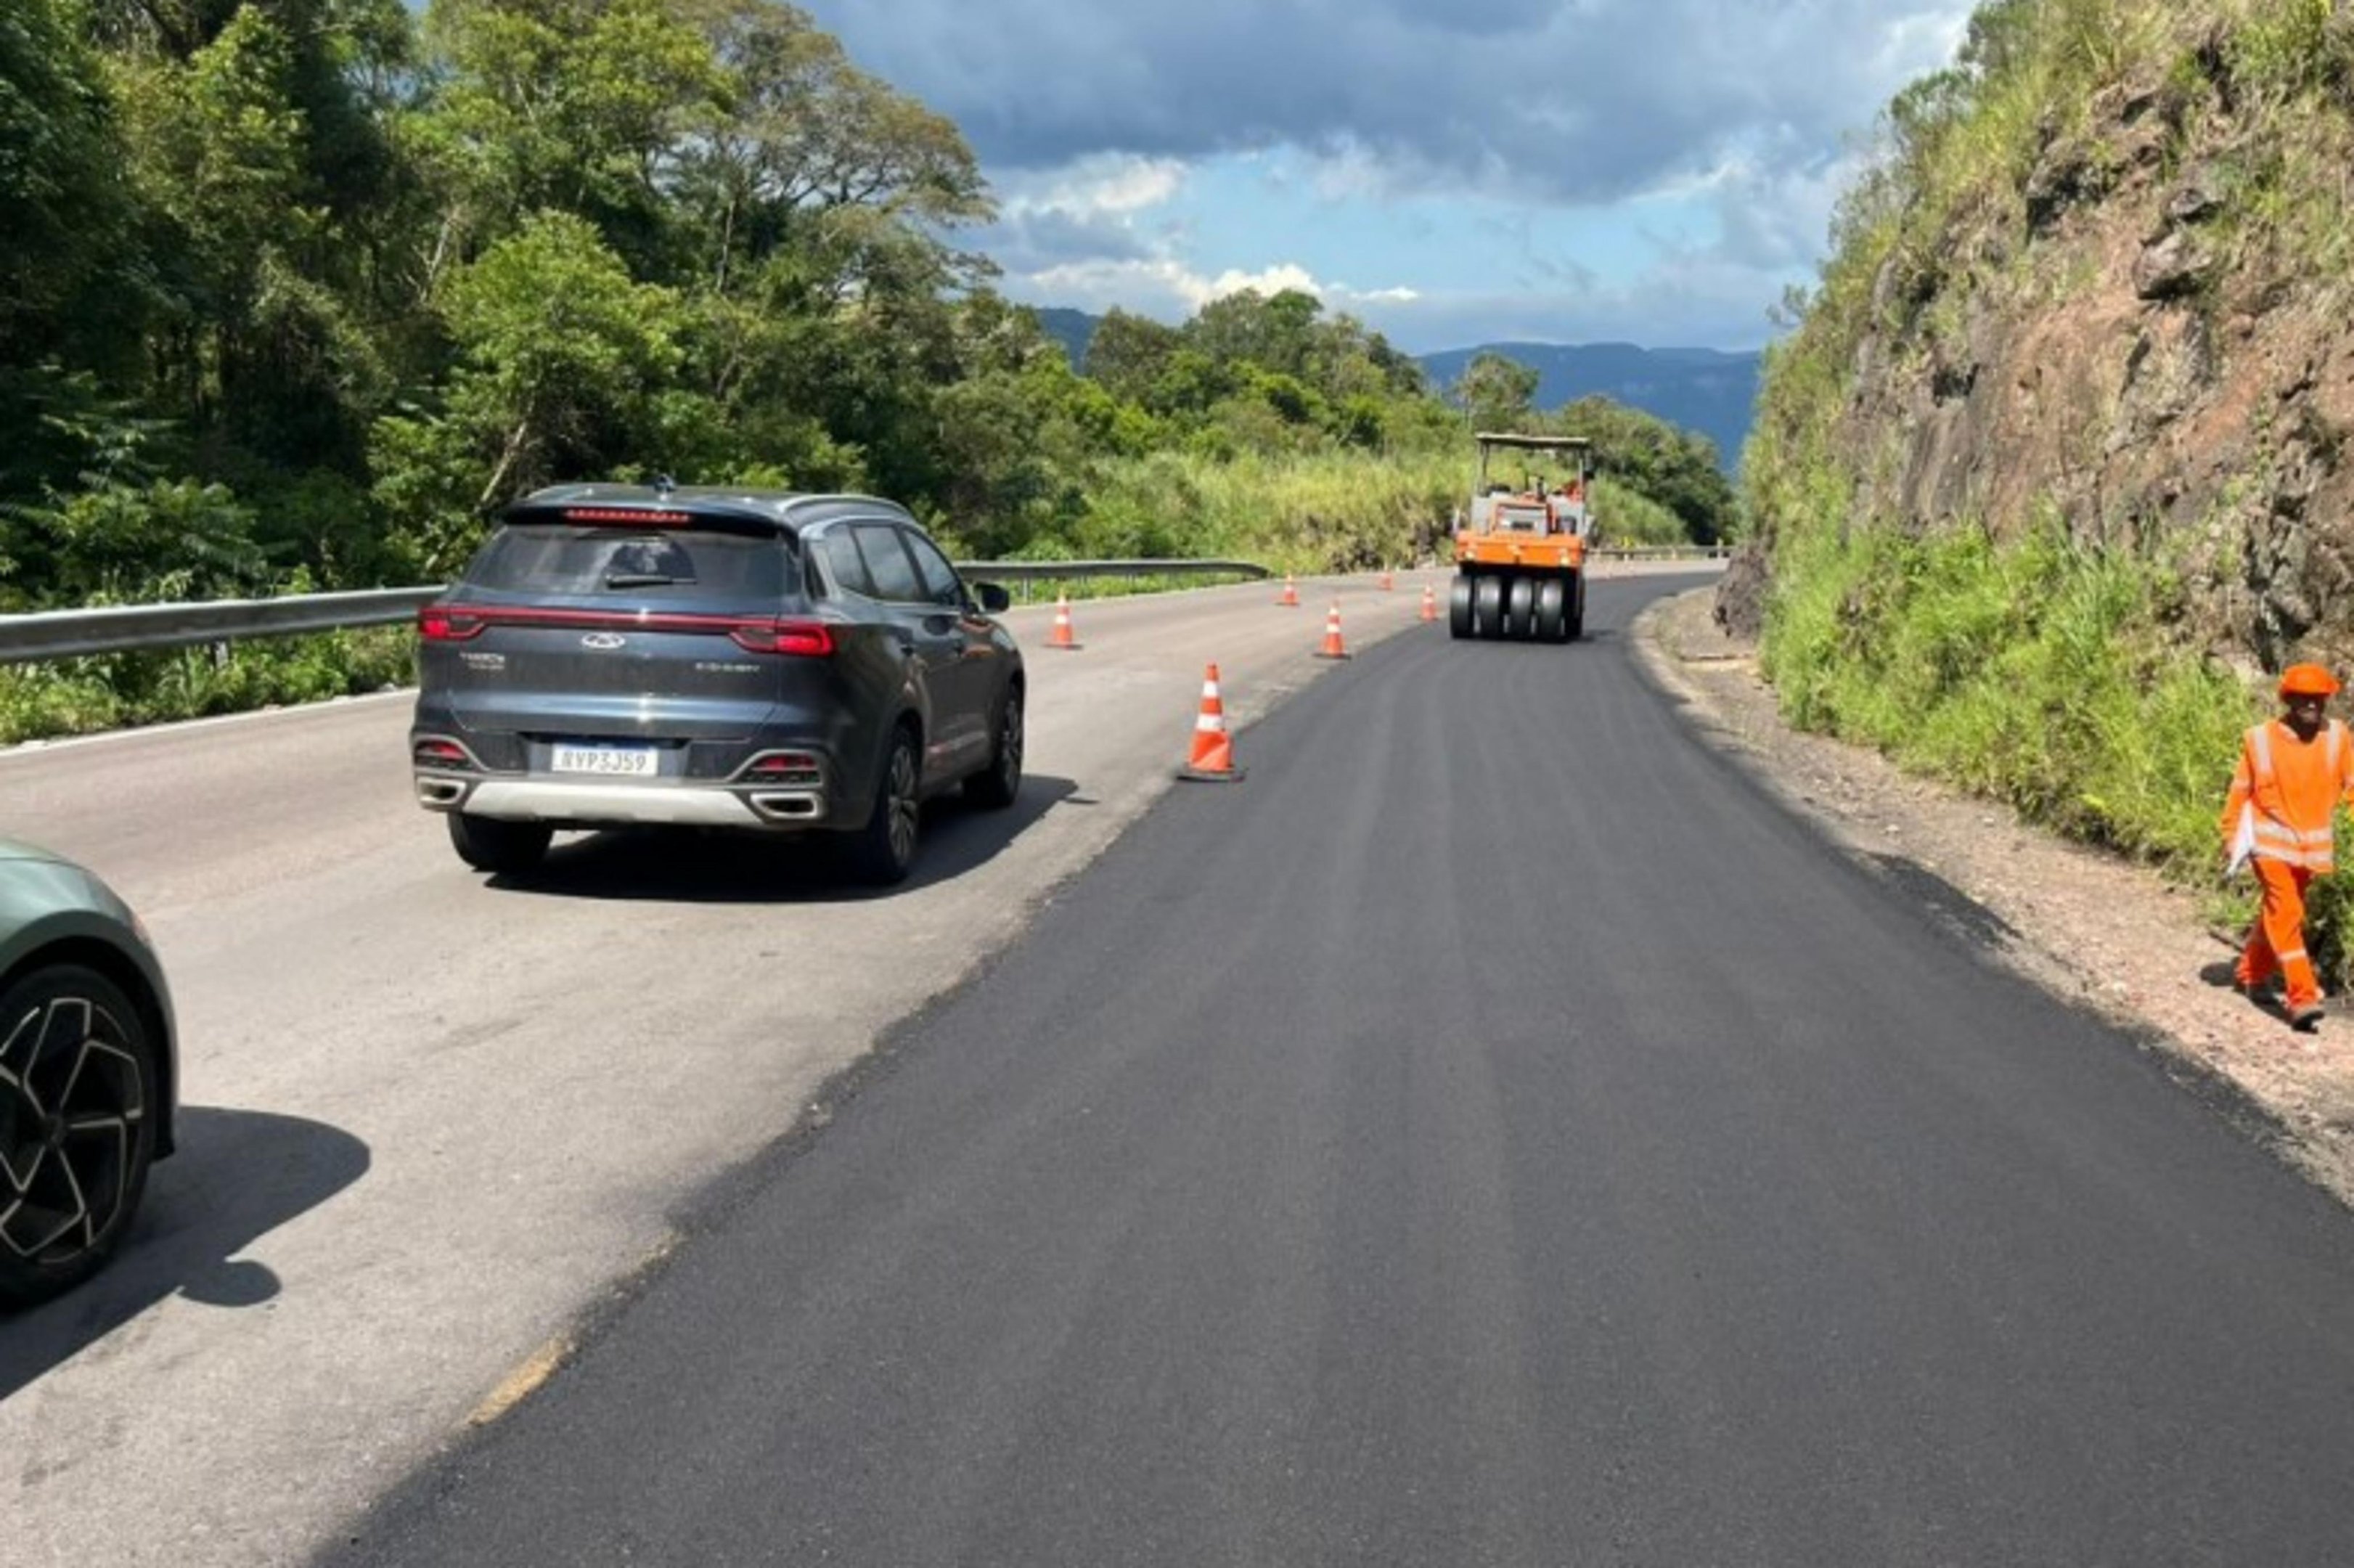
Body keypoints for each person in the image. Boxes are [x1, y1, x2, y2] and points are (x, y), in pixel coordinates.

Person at [2220, 662, 2354, 1029]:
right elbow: (2240, 792)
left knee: (2280, 913)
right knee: (2289, 913)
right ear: (2288, 699)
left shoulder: (2339, 738)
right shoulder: (2259, 740)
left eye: (2319, 699)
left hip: (2309, 852)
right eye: (2304, 699)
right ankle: (2302, 997)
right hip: (2268, 843)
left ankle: (2250, 973)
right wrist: (2231, 837)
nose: (2313, 705)